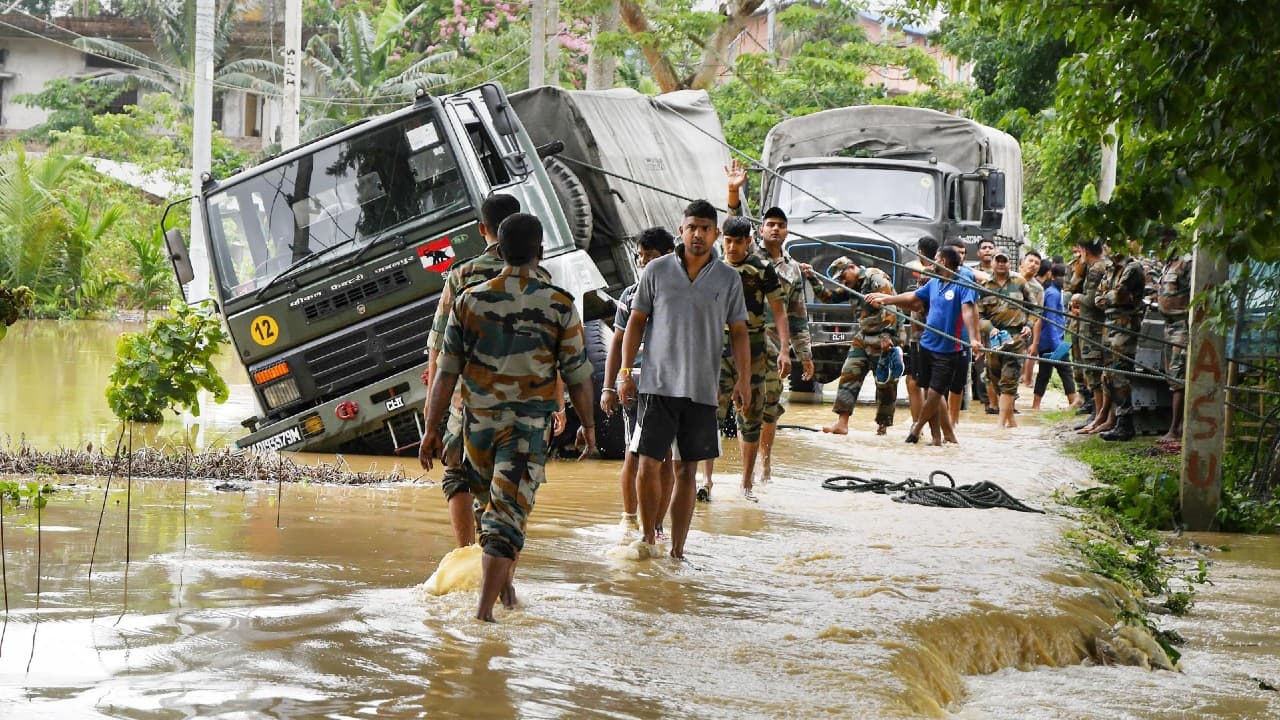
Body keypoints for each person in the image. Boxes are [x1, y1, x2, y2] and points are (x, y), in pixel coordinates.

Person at [419, 213, 596, 622]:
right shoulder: (558, 304)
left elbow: (445, 372)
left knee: (493, 513)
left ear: (497, 244)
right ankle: (483, 617)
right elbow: (579, 376)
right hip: (524, 430)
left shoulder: (469, 300)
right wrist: (588, 427)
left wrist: (431, 429)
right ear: (540, 250)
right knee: (505, 520)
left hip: (475, 429)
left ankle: (506, 593)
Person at [617, 199, 750, 560]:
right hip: (657, 385)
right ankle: (647, 538)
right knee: (647, 463)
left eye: (705, 229)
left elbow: (739, 332)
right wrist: (624, 372)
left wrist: (744, 380)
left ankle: (677, 551)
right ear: (681, 230)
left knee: (687, 470)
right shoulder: (656, 271)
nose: (698, 235)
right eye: (692, 227)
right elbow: (636, 323)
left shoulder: (728, 278)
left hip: (702, 389)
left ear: (715, 235)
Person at [420, 193, 548, 548]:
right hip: (526, 402)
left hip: (469, 401)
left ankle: (466, 554)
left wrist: (434, 411)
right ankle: (500, 563)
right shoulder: (542, 276)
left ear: (483, 229)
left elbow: (439, 346)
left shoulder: (462, 275)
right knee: (511, 486)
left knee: (457, 472)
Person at [701, 216, 790, 502]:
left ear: (748, 241)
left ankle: (747, 483)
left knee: (750, 413)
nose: (732, 247)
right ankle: (706, 480)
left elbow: (778, 311)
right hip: (716, 346)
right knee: (707, 411)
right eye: (727, 241)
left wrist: (786, 350)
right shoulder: (711, 267)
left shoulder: (762, 269)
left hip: (752, 347)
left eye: (738, 242)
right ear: (720, 239)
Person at [601, 227, 677, 535]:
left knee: (667, 457)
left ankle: (657, 525)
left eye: (651, 256)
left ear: (669, 257)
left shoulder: (682, 294)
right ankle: (630, 519)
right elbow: (617, 344)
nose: (644, 263)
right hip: (635, 385)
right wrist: (611, 385)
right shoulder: (630, 295)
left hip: (673, 386)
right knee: (633, 453)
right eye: (641, 256)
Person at [866, 246, 982, 445]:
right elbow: (913, 298)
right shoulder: (935, 282)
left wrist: (973, 338)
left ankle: (918, 427)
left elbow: (969, 310)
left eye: (935, 258)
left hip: (949, 348)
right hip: (927, 344)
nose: (931, 262)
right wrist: (887, 299)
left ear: (943, 262)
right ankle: (938, 439)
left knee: (936, 393)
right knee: (929, 392)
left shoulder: (962, 282)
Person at [801, 255, 899, 435]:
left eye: (843, 276)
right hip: (864, 335)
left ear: (852, 267)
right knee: (849, 374)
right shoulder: (851, 286)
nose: (843, 281)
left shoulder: (874, 277)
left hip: (883, 335)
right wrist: (812, 277)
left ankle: (882, 427)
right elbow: (827, 297)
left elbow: (889, 304)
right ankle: (842, 423)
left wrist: (887, 334)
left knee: (885, 382)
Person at [752, 207, 813, 482]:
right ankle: (747, 466)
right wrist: (732, 193)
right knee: (746, 406)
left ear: (786, 231)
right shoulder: (748, 255)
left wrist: (805, 355)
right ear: (761, 229)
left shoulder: (793, 270)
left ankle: (764, 462)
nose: (775, 229)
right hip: (745, 344)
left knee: (771, 407)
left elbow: (798, 315)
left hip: (777, 350)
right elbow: (733, 222)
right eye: (770, 224)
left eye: (780, 225)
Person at [1094, 241, 1149, 441]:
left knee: (1121, 373)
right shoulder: (1110, 269)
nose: (1109, 247)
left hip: (1125, 326)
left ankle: (1125, 424)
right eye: (1107, 244)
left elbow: (1119, 294)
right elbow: (1098, 299)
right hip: (1110, 325)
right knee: (1109, 374)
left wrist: (1111, 297)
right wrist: (1111, 297)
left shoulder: (1132, 267)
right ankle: (1117, 421)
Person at [977, 250, 1034, 428]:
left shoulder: (1020, 282)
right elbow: (978, 315)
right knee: (995, 379)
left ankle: (1000, 426)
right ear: (993, 263)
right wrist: (990, 328)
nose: (1001, 264)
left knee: (1009, 381)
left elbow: (1034, 308)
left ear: (1010, 263)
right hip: (993, 341)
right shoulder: (984, 286)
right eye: (998, 260)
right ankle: (1011, 422)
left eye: (1004, 261)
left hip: (1016, 338)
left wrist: (1029, 325)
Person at [1075, 239, 1112, 435]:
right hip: (1098, 328)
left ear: (1084, 250)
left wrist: (1075, 298)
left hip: (1094, 330)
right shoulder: (1102, 265)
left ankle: (1100, 417)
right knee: (1098, 374)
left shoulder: (1096, 268)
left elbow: (1091, 300)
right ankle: (1100, 416)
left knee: (1095, 374)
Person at [1031, 263, 1079, 410]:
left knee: (1045, 374)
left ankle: (1036, 406)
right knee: (1066, 372)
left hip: (1053, 340)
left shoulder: (1057, 292)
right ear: (1053, 276)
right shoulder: (1053, 293)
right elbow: (1050, 319)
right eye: (1061, 277)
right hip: (1053, 341)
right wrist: (1057, 344)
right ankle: (1073, 403)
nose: (1063, 280)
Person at [1158, 248, 1192, 443]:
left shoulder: (1186, 262)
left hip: (1183, 325)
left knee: (1179, 377)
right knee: (1172, 376)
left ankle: (1175, 429)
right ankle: (1175, 427)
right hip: (1169, 326)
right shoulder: (1168, 264)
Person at [905, 237, 940, 425]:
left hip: (921, 337)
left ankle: (918, 424)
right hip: (932, 336)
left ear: (920, 252)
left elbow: (917, 303)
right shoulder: (943, 273)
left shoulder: (927, 273)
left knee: (915, 381)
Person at [1019, 250, 1045, 387]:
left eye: (1037, 263)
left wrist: (1035, 343)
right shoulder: (1010, 278)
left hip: (1024, 331)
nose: (1033, 265)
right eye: (1030, 261)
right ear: (1022, 262)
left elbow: (1037, 316)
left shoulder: (1038, 289)